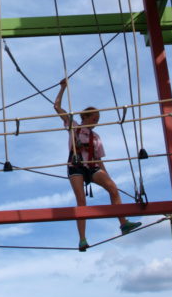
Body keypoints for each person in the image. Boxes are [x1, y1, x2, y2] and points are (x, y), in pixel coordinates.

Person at [54, 77, 140, 251]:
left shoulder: (96, 137)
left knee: (113, 188)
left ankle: (123, 223)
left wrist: (107, 177)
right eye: (95, 118)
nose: (97, 121)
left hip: (92, 167)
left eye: (98, 119)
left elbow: (99, 160)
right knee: (81, 201)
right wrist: (62, 88)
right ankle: (82, 239)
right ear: (86, 117)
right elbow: (57, 107)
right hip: (76, 166)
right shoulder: (74, 126)